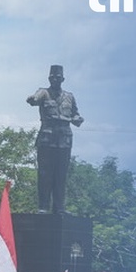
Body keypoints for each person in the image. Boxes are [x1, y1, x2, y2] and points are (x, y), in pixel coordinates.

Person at [27, 64, 84, 214]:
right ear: (49, 78)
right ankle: (43, 207)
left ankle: (59, 207)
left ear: (63, 79)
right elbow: (34, 99)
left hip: (64, 139)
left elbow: (76, 114)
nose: (55, 80)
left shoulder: (69, 97)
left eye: (58, 78)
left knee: (61, 175)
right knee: (45, 174)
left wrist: (77, 119)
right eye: (52, 77)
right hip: (47, 138)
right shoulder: (43, 92)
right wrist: (32, 99)